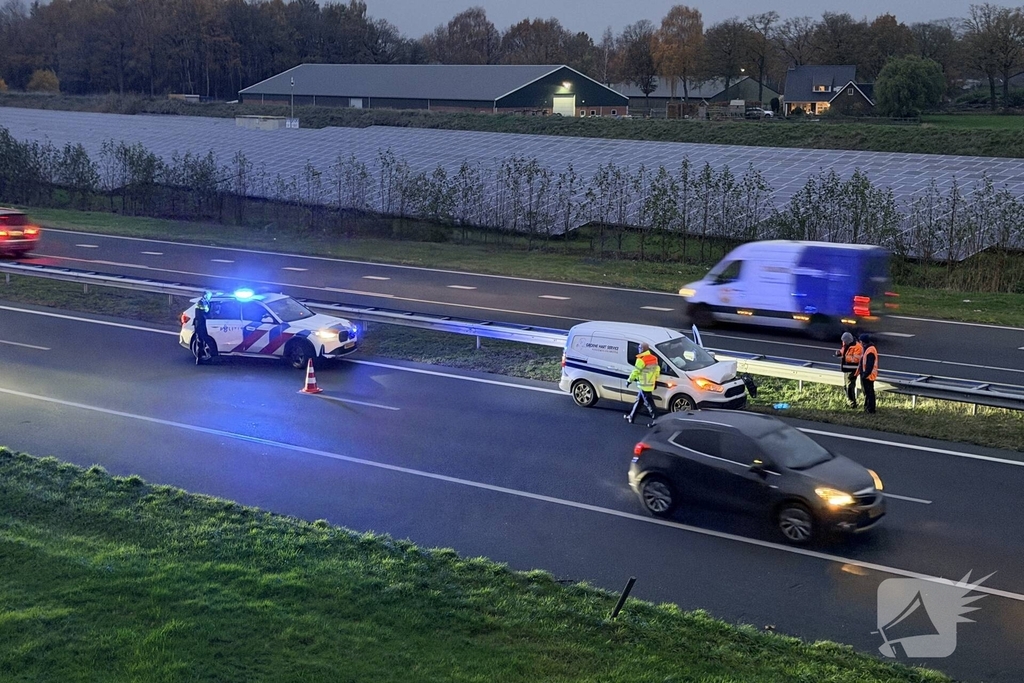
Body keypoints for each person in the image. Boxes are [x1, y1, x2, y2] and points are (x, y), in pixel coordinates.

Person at [625, 342, 661, 426]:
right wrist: (655, 380)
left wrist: (629, 380)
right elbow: (657, 370)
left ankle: (656, 420)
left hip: (644, 385)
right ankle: (631, 417)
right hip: (650, 384)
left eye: (640, 348)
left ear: (643, 349)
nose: (638, 349)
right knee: (639, 401)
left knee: (649, 404)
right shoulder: (654, 358)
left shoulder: (641, 359)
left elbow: (636, 372)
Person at [835, 331, 863, 408]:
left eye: (844, 341)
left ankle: (852, 403)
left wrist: (845, 357)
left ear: (847, 340)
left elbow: (856, 359)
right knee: (845, 386)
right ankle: (849, 401)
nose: (843, 342)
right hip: (846, 369)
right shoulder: (847, 345)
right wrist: (839, 353)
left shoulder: (858, 347)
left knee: (850, 386)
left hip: (853, 370)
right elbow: (843, 351)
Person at [858, 334, 879, 414]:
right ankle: (867, 407)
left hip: (868, 376)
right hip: (867, 374)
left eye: (860, 341)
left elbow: (869, 365)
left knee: (869, 393)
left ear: (863, 342)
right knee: (867, 392)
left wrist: (865, 375)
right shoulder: (867, 348)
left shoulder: (870, 350)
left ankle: (870, 409)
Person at [193, 293, 213, 365]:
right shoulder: (201, 302)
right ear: (205, 295)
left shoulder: (204, 301)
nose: (210, 297)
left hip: (202, 323)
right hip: (199, 324)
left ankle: (202, 357)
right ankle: (199, 359)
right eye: (209, 295)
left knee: (202, 341)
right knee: (200, 341)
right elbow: (206, 310)